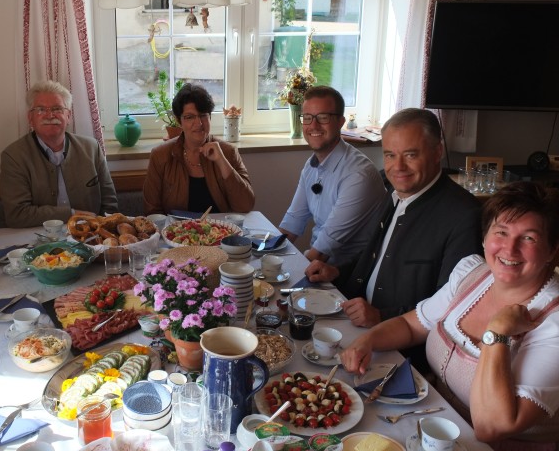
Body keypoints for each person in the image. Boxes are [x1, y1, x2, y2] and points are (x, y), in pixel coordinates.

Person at [340, 182, 559, 451]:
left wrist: (497, 332)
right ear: (484, 237)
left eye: (528, 238)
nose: (509, 250)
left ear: (552, 250)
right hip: (431, 432)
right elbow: (414, 325)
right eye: (501, 232)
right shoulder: (473, 274)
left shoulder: (553, 322)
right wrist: (369, 340)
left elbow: (491, 426)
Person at [306, 108, 482, 328]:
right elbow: (376, 253)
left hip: (400, 343)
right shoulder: (391, 188)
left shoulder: (463, 216)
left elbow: (453, 303)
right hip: (354, 317)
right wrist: (337, 271)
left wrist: (381, 316)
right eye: (390, 155)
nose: (398, 167)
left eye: (411, 155)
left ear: (437, 152)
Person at [278, 86, 385, 265]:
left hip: (348, 275)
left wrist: (283, 270)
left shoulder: (358, 175)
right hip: (319, 265)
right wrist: (264, 253)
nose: (313, 126)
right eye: (308, 118)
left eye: (323, 117)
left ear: (341, 122)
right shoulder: (311, 165)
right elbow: (293, 222)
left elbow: (322, 251)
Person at [0, 80, 118, 228]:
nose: (50, 115)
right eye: (41, 109)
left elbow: (110, 205)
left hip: (90, 236)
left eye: (57, 109)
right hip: (40, 238)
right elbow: (16, 215)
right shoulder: (14, 156)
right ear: (30, 118)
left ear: (68, 116)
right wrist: (71, 214)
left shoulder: (91, 148)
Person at [143, 83, 254, 215]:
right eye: (190, 117)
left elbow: (245, 206)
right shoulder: (160, 155)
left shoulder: (228, 152)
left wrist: (222, 161)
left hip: (220, 232)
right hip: (176, 232)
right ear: (179, 121)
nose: (199, 123)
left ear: (210, 117)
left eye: (203, 115)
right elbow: (152, 211)